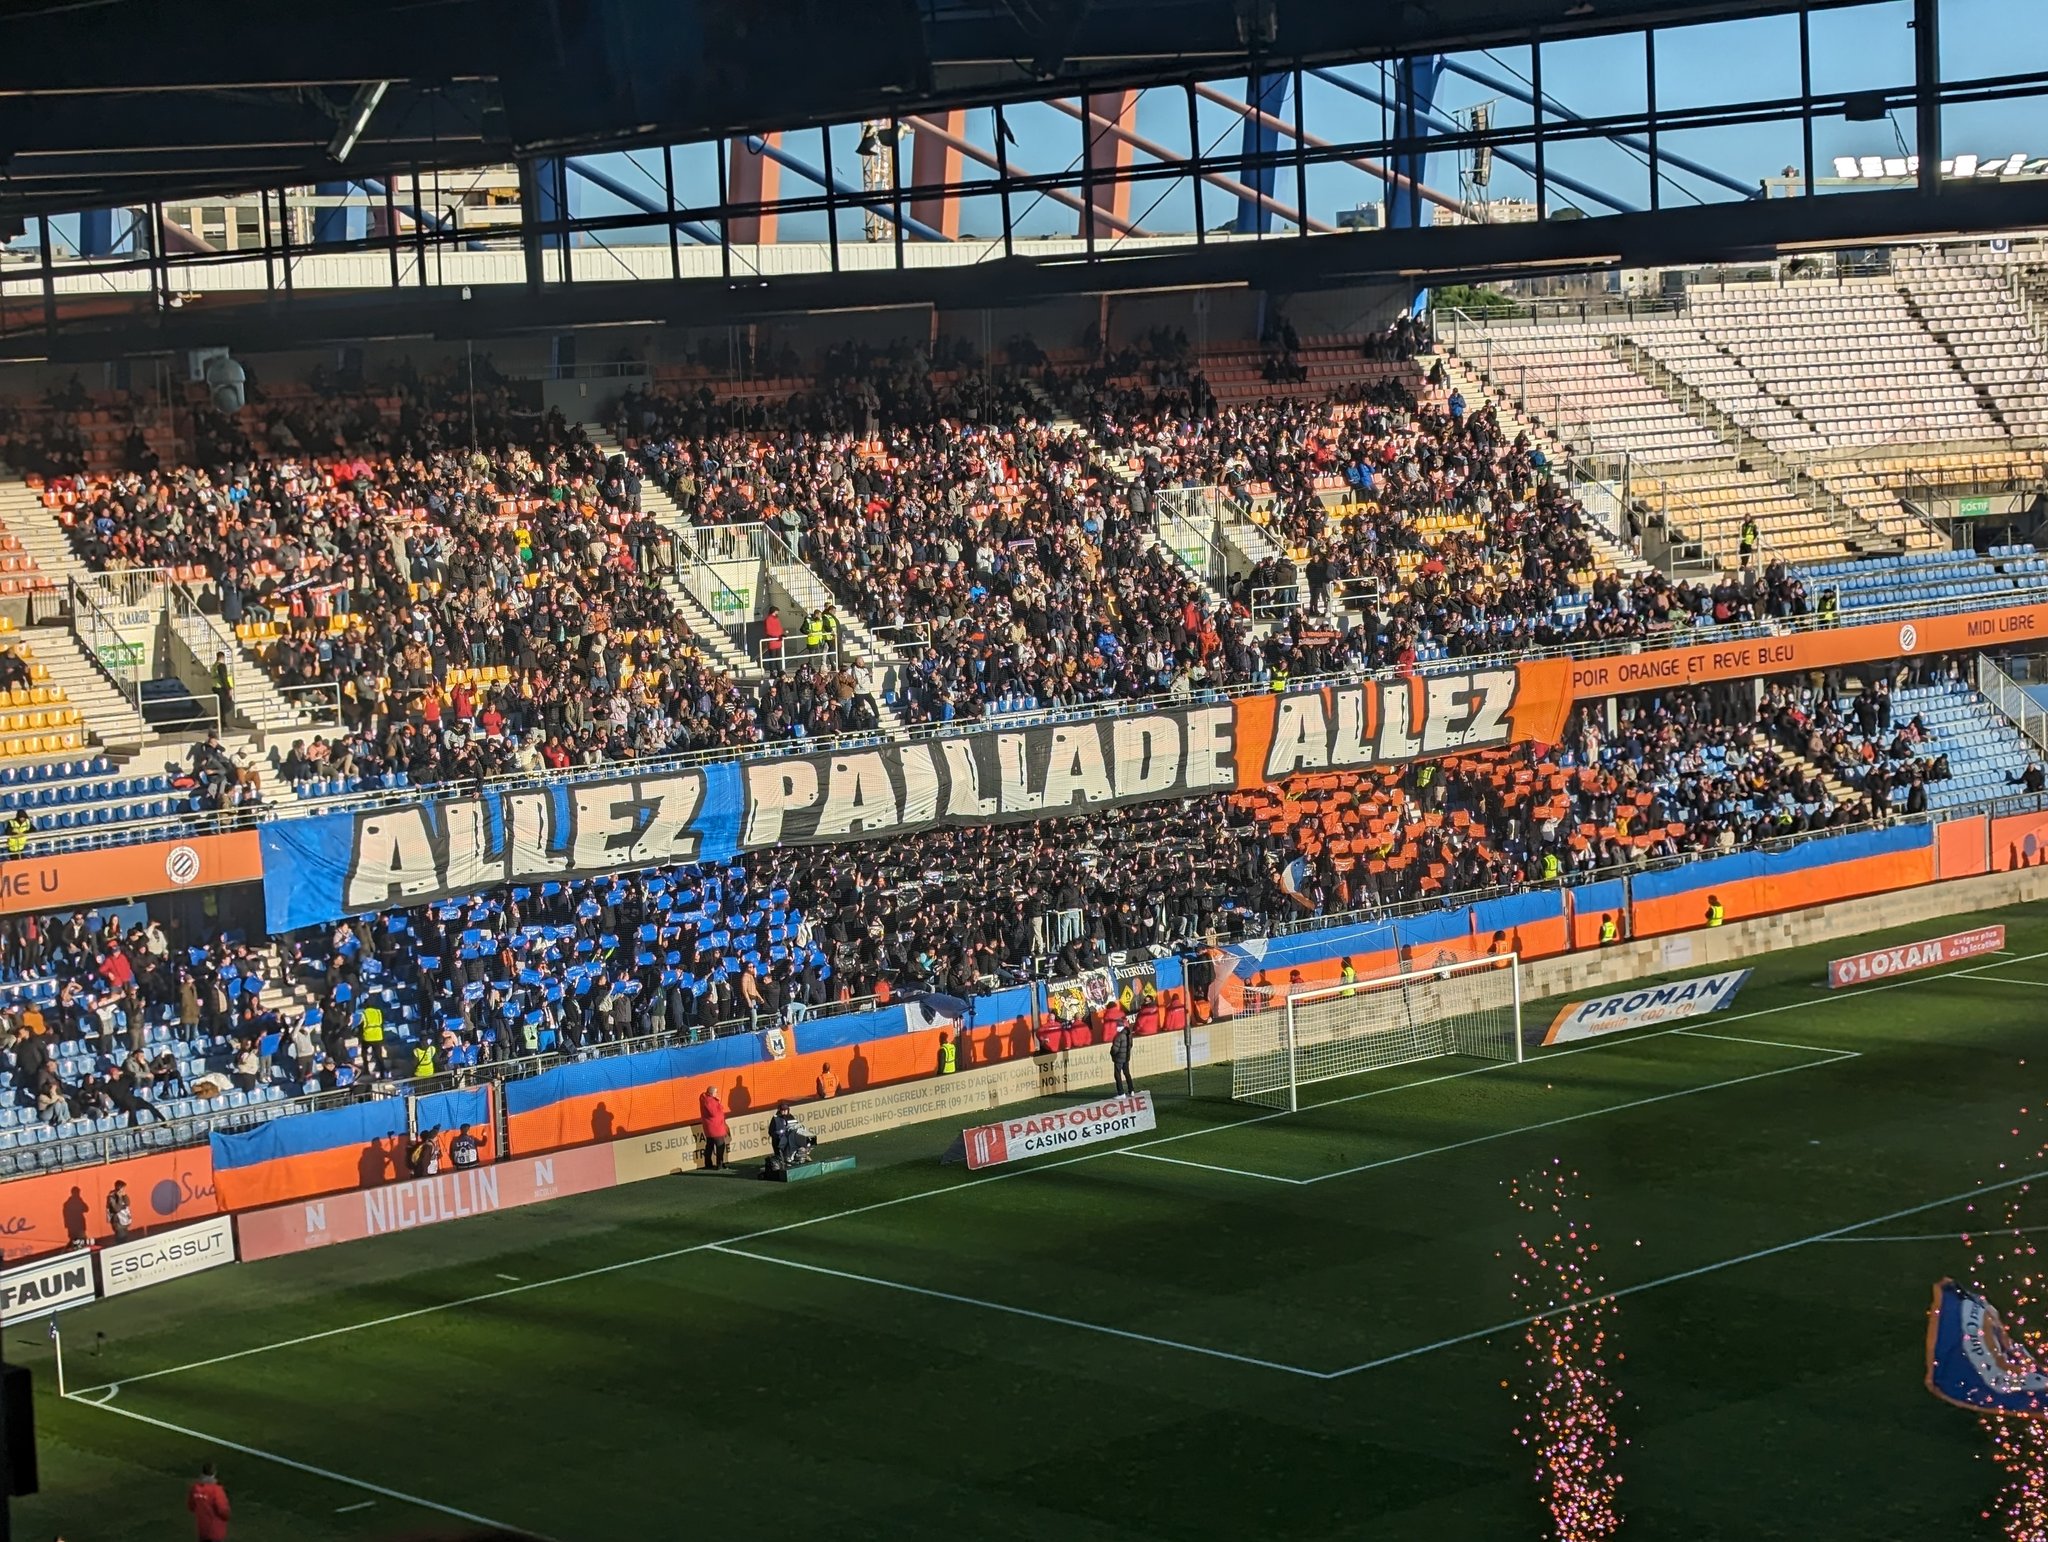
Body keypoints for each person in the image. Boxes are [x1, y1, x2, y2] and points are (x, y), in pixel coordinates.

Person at [766, 1099, 815, 1172]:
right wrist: (778, 1134)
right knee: (782, 1157)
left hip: (790, 1138)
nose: (784, 1111)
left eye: (785, 1110)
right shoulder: (775, 1118)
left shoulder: (791, 1117)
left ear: (788, 1109)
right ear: (779, 1110)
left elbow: (795, 1126)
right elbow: (771, 1131)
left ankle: (801, 1157)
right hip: (779, 1141)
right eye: (782, 1110)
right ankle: (782, 1163)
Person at [187, 1461, 231, 1542]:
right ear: (214, 1473)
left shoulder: (195, 1488)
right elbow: (223, 1510)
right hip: (215, 1531)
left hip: (203, 1530)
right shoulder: (216, 1490)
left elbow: (191, 1506)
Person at [699, 1085, 730, 1171]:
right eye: (716, 1092)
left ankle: (708, 1164)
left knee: (709, 1145)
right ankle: (719, 1164)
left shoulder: (705, 1099)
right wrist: (719, 1104)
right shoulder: (710, 1102)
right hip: (715, 1128)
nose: (717, 1093)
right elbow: (714, 1113)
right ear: (712, 1093)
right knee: (720, 1146)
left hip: (710, 1127)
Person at [1109, 1009, 1135, 1097]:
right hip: (1126, 1057)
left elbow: (1114, 1049)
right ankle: (1131, 1090)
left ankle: (1121, 1093)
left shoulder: (1118, 1036)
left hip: (1119, 1058)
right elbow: (1131, 1045)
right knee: (1127, 1073)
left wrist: (1112, 1054)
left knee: (1117, 1074)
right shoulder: (1129, 1034)